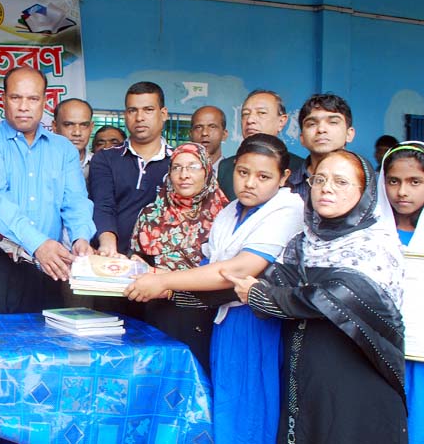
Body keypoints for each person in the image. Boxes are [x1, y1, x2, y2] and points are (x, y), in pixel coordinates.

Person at [125, 134, 304, 444]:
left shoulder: (288, 210)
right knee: (225, 402)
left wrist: (165, 281)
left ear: (284, 177)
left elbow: (236, 270)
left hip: (259, 322)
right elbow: (207, 266)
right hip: (224, 320)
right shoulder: (229, 211)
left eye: (264, 176)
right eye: (243, 172)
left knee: (253, 404)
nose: (250, 183)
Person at [227, 149, 408, 443]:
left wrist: (265, 297)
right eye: (320, 179)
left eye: (341, 182)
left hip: (358, 380)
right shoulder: (302, 243)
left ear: (365, 192)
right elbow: (265, 281)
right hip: (306, 378)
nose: (327, 188)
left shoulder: (376, 245)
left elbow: (332, 296)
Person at [0, 66, 95, 315]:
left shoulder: (63, 149)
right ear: (3, 100)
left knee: (44, 346)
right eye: (16, 97)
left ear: (44, 102)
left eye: (33, 98)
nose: (24, 106)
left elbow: (76, 200)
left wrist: (81, 238)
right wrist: (38, 244)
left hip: (47, 265)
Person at [130, 142, 228, 372]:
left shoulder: (226, 215)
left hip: (209, 315)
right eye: (176, 167)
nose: (184, 175)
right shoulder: (151, 214)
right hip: (158, 313)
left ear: (207, 170)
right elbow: (138, 263)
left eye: (193, 167)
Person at [90, 81, 172, 257]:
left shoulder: (178, 162)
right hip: (113, 259)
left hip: (163, 265)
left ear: (163, 114)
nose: (139, 117)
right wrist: (108, 245)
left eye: (148, 110)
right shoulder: (105, 158)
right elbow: (104, 206)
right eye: (132, 110)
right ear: (125, 115)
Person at [380, 141, 424, 444]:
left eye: (415, 182)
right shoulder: (370, 231)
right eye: (394, 181)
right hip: (381, 352)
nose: (402, 192)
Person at [217, 90, 304, 200]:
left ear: (281, 121)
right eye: (245, 114)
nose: (250, 120)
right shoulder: (225, 167)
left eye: (261, 113)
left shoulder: (300, 167)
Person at [287, 93, 356, 199]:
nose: (321, 129)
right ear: (302, 138)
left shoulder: (373, 182)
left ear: (349, 134)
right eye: (312, 124)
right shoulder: (286, 185)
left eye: (333, 122)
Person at [52, 98, 94, 179]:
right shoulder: (41, 162)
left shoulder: (101, 163)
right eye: (68, 124)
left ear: (91, 127)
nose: (77, 133)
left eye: (84, 125)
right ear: (55, 126)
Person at [189, 105, 227, 174]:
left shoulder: (233, 171)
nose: (204, 133)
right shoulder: (183, 173)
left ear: (224, 134)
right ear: (191, 134)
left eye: (212, 127)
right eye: (198, 127)